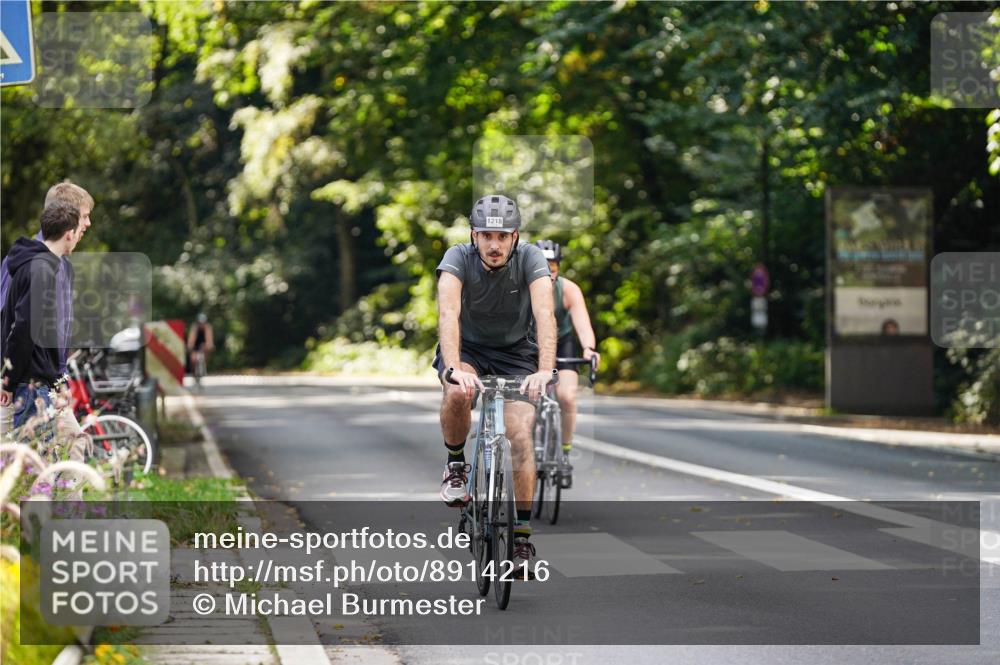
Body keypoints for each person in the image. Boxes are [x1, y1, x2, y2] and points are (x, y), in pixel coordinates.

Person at [433, 194, 556, 578]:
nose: (494, 244)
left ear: (515, 236)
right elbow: (448, 313)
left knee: (519, 434)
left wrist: (545, 370)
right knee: (458, 392)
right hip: (468, 349)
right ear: (474, 235)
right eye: (486, 235)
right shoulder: (457, 258)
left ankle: (520, 537)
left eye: (502, 236)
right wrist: (454, 368)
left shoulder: (531, 258)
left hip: (517, 353)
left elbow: (545, 314)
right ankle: (456, 465)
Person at [1, 203, 83, 427]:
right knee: (32, 450)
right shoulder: (41, 269)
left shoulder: (36, 265)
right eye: (78, 232)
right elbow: (23, 330)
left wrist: (58, 381)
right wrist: (8, 380)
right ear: (69, 234)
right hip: (31, 387)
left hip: (34, 383)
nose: (78, 238)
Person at [0, 180, 94, 375]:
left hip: (49, 381)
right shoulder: (22, 261)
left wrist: (60, 377)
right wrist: (8, 378)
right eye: (84, 216)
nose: (88, 223)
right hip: (23, 382)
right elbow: (8, 321)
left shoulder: (64, 265)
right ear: (67, 216)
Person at [534, 240, 600, 489]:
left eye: (552, 266)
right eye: (542, 266)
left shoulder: (568, 289)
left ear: (559, 267)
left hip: (562, 343)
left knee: (567, 396)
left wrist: (589, 349)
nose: (548, 272)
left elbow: (582, 324)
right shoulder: (521, 287)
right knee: (525, 399)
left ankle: (564, 453)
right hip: (531, 344)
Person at [187, 312, 214, 388]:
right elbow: (191, 339)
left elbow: (209, 339)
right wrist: (190, 346)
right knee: (193, 359)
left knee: (205, 355)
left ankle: (203, 370)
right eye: (200, 323)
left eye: (203, 323)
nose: (201, 324)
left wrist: (209, 346)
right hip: (195, 345)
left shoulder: (208, 327)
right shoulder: (194, 328)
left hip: (204, 345)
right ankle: (194, 375)